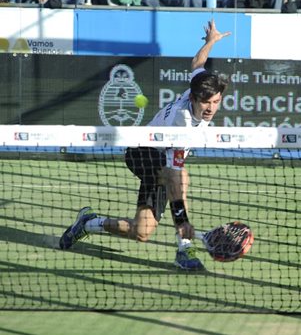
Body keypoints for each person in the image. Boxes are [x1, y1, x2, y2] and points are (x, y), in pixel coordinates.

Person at [59, 20, 232, 271]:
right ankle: (185, 249)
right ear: (194, 98)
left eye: (216, 102)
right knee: (181, 177)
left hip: (160, 159)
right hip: (141, 151)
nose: (211, 108)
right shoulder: (181, 125)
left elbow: (197, 64)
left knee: (142, 232)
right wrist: (182, 223)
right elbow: (174, 176)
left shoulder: (197, 86)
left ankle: (88, 223)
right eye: (206, 103)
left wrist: (210, 42)